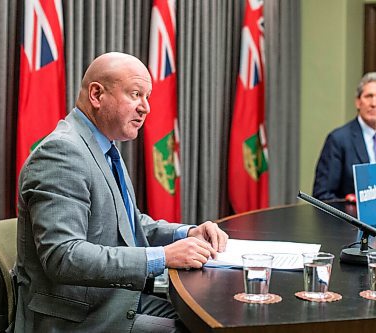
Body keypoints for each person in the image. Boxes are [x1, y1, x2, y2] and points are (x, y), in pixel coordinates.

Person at [14, 52, 229, 333]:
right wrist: (163, 256)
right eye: (136, 94)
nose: (146, 108)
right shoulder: (62, 153)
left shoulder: (103, 146)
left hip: (113, 299)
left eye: (147, 97)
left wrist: (186, 233)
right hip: (76, 318)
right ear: (96, 94)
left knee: (210, 320)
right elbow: (63, 257)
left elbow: (127, 224)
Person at [312, 71, 376, 201]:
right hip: (352, 219)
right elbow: (322, 196)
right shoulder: (339, 140)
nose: (374, 103)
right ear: (358, 102)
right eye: (368, 96)